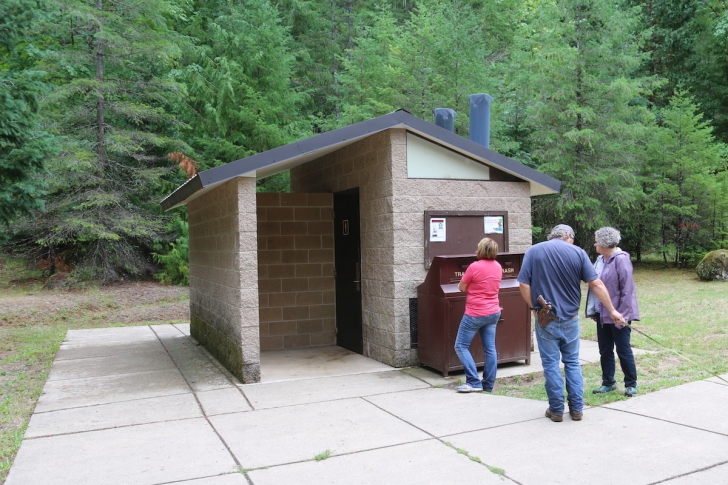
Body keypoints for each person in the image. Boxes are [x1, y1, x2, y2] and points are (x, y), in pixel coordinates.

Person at [517, 224, 625, 422]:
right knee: (572, 363)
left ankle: (556, 410)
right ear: (569, 236)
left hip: (545, 319)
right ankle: (576, 409)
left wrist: (534, 307)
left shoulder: (534, 251)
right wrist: (612, 310)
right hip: (570, 319)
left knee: (550, 364)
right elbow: (596, 283)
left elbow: (524, 283)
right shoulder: (578, 253)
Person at [585, 227, 639, 397]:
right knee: (605, 350)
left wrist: (622, 315)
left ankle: (631, 384)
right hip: (602, 314)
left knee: (623, 349)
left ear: (604, 243)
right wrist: (595, 311)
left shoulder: (621, 260)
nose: (594, 244)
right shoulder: (601, 259)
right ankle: (608, 382)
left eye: (596, 241)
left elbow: (627, 290)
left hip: (618, 315)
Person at [454, 237, 502, 393]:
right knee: (490, 349)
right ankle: (487, 385)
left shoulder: (474, 266)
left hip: (475, 313)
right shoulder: (498, 266)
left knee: (460, 346)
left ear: (480, 250)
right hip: (493, 312)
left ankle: (474, 382)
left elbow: (462, 287)